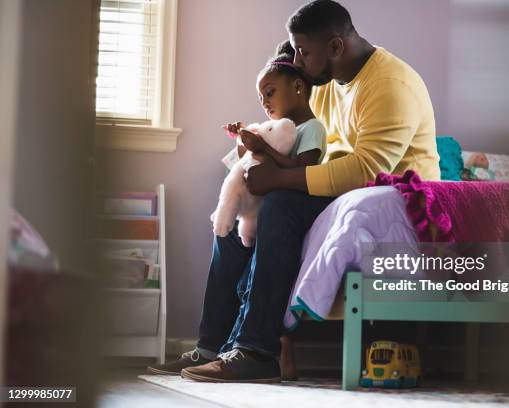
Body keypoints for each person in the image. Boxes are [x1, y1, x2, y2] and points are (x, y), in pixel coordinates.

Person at [148, 0, 440, 383]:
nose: (298, 61)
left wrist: (280, 180)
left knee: (281, 203)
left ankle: (256, 351)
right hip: (338, 193)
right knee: (240, 212)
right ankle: (211, 345)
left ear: (335, 47)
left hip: (390, 200)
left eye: (304, 51)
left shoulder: (390, 85)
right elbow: (293, 135)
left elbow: (367, 170)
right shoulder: (324, 85)